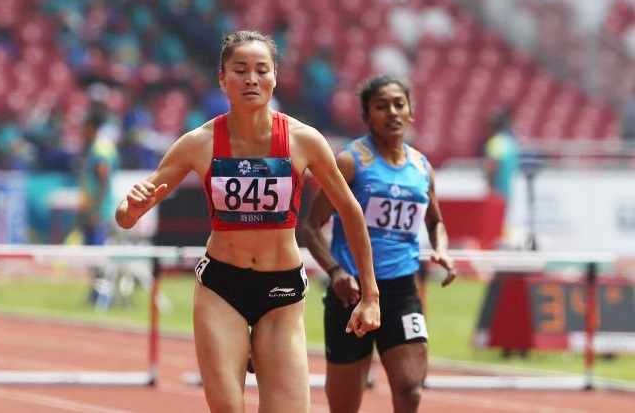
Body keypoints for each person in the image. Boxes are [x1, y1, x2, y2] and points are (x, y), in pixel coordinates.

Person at [115, 30, 380, 413]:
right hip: (222, 288)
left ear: (275, 77)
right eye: (240, 70)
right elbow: (127, 217)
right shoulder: (199, 142)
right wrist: (132, 208)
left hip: (282, 291)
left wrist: (371, 296)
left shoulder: (304, 140)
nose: (251, 79)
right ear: (223, 79)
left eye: (261, 70)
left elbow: (351, 212)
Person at [302, 75, 456, 413]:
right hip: (351, 292)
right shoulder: (350, 162)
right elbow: (310, 226)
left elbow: (435, 221)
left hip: (402, 290)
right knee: (345, 406)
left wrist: (441, 249)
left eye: (399, 104)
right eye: (381, 106)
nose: (392, 113)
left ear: (411, 111)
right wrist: (335, 271)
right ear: (366, 116)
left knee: (411, 389)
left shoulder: (421, 167)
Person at [79, 106, 120, 308]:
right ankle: (96, 294)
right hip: (94, 209)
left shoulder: (100, 149)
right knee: (93, 255)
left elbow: (103, 180)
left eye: (84, 126)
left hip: (99, 212)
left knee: (98, 255)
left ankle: (103, 297)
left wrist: (95, 210)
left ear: (92, 126)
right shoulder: (98, 146)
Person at [482, 104, 519, 203]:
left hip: (497, 190)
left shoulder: (496, 142)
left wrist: (489, 185)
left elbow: (492, 165)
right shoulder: (510, 141)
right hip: (507, 189)